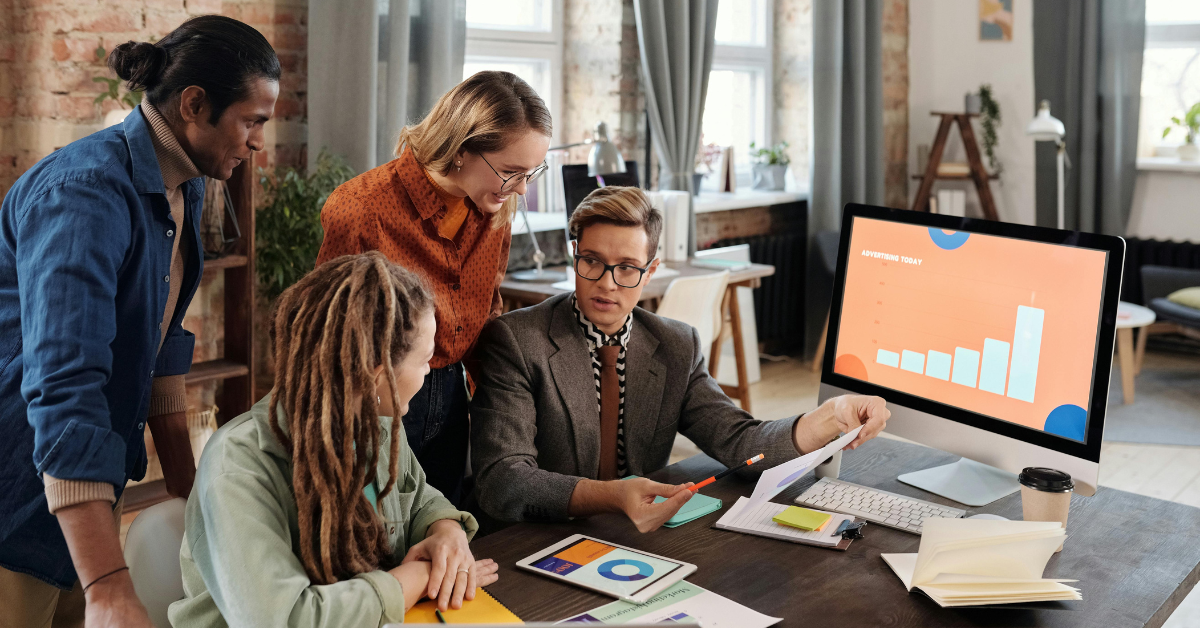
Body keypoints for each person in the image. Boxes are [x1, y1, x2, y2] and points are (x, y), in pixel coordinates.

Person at [0, 16, 279, 628]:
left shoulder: (186, 185)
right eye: (252, 120)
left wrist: (189, 488)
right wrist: (106, 581)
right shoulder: (84, 194)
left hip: (85, 484)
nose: (258, 141)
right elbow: (65, 385)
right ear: (194, 105)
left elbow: (162, 342)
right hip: (20, 481)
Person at [470, 186, 892, 531]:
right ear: (574, 255)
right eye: (592, 262)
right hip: (534, 537)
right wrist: (610, 497)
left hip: (638, 537)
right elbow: (503, 479)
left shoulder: (675, 345)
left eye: (628, 268)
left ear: (650, 272)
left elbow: (739, 441)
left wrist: (828, 417)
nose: (607, 284)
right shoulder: (517, 340)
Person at [170, 252, 499, 627]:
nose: (429, 370)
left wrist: (446, 531)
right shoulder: (238, 466)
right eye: (425, 359)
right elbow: (283, 619)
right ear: (377, 378)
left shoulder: (375, 423)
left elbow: (419, 497)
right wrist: (417, 578)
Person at [316, 71, 552, 505]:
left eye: (531, 172)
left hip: (452, 395)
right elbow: (330, 341)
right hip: (377, 402)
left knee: (441, 529)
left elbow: (487, 311)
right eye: (511, 172)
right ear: (462, 150)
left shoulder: (495, 206)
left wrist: (504, 406)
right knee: (377, 537)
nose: (521, 188)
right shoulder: (361, 209)